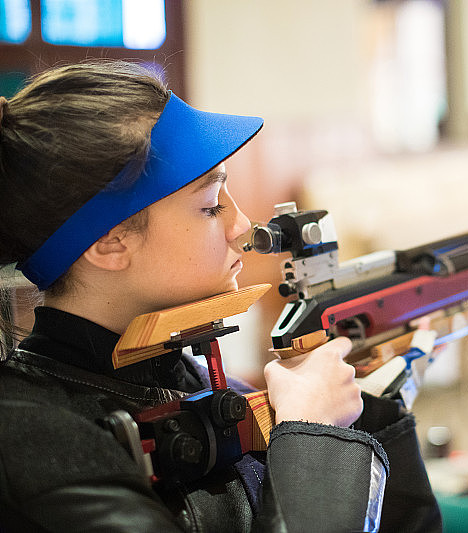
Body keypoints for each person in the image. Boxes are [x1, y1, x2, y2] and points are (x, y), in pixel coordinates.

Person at [0, 61, 441, 532]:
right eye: (211, 206)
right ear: (110, 243)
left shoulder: (184, 373)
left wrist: (372, 416)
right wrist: (316, 436)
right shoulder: (30, 438)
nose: (243, 227)